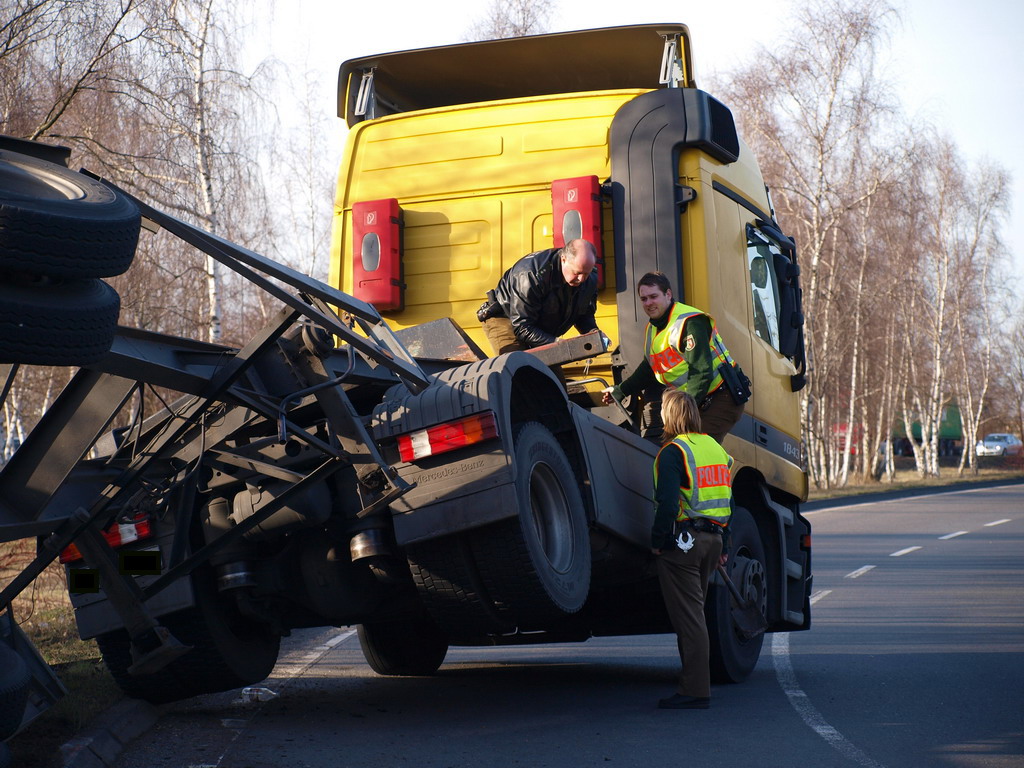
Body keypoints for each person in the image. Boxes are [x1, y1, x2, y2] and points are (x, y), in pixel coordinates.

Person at [651, 388, 733, 710]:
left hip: (684, 544)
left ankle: (696, 690)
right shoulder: (714, 448)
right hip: (713, 540)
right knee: (695, 614)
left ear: (669, 416)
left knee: (690, 619)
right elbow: (728, 500)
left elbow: (668, 503)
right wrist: (724, 544)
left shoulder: (674, 452)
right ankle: (693, 680)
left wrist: (658, 542)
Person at [601, 272, 748, 444]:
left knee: (694, 451)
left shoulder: (690, 321)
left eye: (653, 296)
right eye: (644, 299)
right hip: (696, 401)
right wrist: (620, 390)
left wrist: (684, 411)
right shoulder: (652, 328)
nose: (648, 303)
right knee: (674, 451)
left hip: (721, 397)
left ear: (668, 294)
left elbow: (701, 372)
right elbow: (649, 368)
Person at [476, 239, 602, 355]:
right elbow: (522, 326)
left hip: (539, 327)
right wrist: (559, 343)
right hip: (506, 318)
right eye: (577, 272)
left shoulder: (589, 279)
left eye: (587, 273)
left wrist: (593, 334)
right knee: (519, 371)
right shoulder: (530, 274)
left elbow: (583, 315)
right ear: (563, 259)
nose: (581, 279)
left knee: (552, 379)